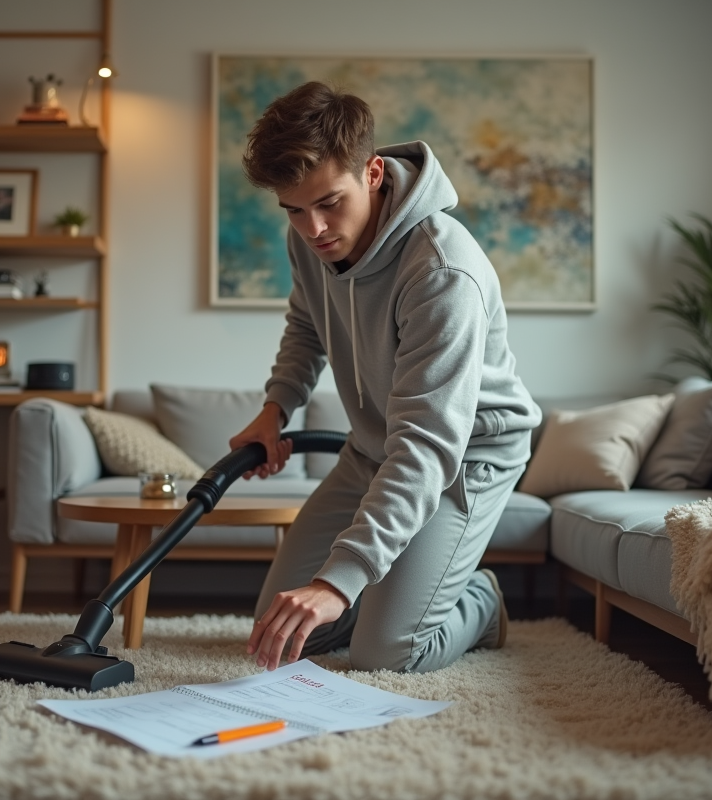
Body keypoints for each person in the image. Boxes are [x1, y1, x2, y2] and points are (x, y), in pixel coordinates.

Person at [230, 81, 541, 674]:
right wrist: (276, 409)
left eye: (329, 202)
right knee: (287, 632)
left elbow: (427, 447)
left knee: (387, 651)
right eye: (293, 210)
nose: (313, 228)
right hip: (373, 449)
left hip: (464, 455)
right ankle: (403, 594)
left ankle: (481, 601)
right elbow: (307, 324)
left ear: (372, 173)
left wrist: (338, 583)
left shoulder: (442, 272)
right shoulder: (310, 239)